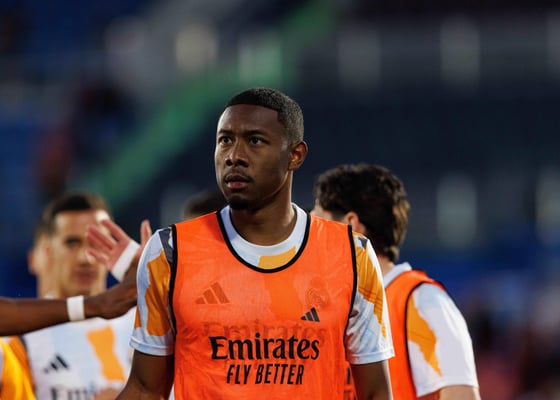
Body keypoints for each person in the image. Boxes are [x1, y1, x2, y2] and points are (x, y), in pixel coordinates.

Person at [117, 87, 394, 399]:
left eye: (255, 141)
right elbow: (145, 389)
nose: (234, 156)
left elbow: (376, 393)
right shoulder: (170, 252)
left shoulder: (351, 255)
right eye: (225, 140)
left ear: (295, 155)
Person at [311, 163, 480, 400]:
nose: (311, 237)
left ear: (350, 225)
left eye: (318, 222)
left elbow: (461, 395)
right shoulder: (332, 311)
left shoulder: (423, 303)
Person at [12, 192, 145, 399]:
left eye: (96, 242)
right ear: (48, 251)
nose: (85, 259)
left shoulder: (144, 324)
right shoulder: (23, 336)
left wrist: (157, 287)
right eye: (72, 243)